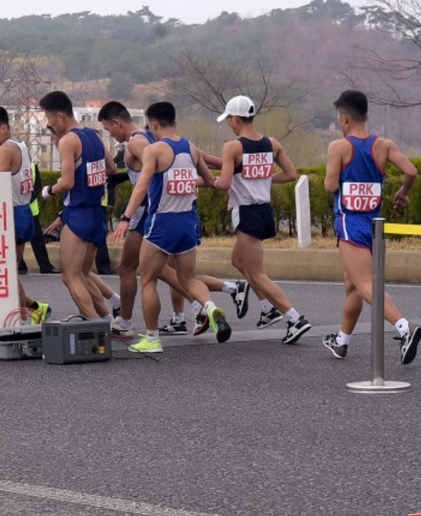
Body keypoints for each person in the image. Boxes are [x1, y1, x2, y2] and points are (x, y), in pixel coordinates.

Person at [114, 102, 228, 353]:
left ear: (153, 125)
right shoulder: (191, 148)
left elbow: (141, 187)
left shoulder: (155, 150)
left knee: (149, 281)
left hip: (162, 223)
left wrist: (125, 217)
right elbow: (210, 181)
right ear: (174, 123)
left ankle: (152, 339)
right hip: (187, 221)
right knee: (187, 279)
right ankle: (209, 307)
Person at [322, 90, 421, 365]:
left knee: (365, 284)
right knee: (352, 285)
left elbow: (330, 186)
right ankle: (342, 342)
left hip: (350, 222)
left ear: (344, 119)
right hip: (374, 223)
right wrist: (403, 192)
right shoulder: (384, 145)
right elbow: (411, 171)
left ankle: (404, 328)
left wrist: (338, 176)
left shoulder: (339, 147)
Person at [213, 96, 311, 343]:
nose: (229, 125)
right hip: (264, 211)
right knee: (237, 260)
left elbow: (224, 182)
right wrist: (264, 180)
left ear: (235, 119)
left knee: (257, 275)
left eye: (229, 121)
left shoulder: (232, 147)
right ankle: (267, 309)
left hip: (247, 213)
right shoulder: (272, 143)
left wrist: (200, 181)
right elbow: (290, 174)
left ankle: (295, 318)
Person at [38, 91, 116, 319]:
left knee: (70, 276)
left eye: (49, 118)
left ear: (60, 116)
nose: (49, 123)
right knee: (82, 274)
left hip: (78, 213)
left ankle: (95, 325)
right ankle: (107, 320)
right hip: (96, 213)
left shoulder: (68, 141)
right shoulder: (94, 135)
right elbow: (111, 168)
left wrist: (48, 191)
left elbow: (67, 181)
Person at [0, 107, 51, 324]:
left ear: (3, 128)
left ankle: (22, 316)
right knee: (9, 272)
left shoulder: (5, 151)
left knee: (6, 273)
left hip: (11, 214)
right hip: (23, 211)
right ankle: (32, 310)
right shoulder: (20, 145)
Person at [17, 163, 60, 275]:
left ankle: (46, 266)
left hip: (31, 209)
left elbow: (37, 186)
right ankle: (20, 267)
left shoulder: (32, 166)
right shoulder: (14, 166)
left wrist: (28, 199)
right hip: (18, 208)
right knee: (18, 239)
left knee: (38, 240)